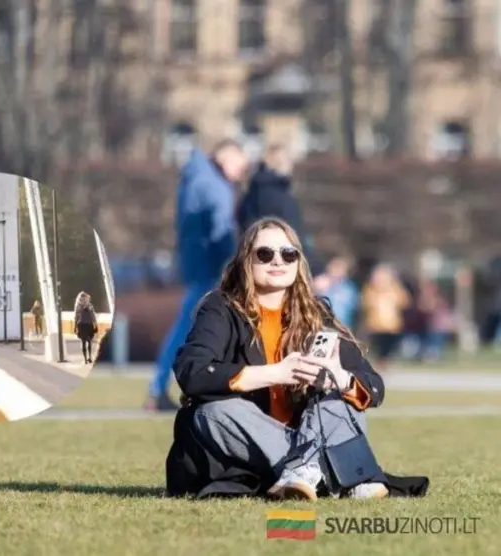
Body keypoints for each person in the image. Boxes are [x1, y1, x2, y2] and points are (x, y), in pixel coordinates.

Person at [166, 217, 389, 500]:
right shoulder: (220, 308)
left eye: (288, 254)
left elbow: (374, 387)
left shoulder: (316, 312)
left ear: (298, 262)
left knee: (339, 402)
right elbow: (192, 371)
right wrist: (277, 373)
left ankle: (304, 474)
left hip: (304, 433)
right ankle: (328, 473)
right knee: (214, 413)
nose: (277, 262)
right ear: (246, 261)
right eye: (264, 254)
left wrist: (338, 377)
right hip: (250, 449)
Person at [148, 139, 250, 411]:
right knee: (189, 328)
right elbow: (221, 229)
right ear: (227, 157)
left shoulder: (194, 178)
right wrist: (233, 264)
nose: (242, 172)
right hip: (210, 268)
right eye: (241, 165)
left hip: (196, 265)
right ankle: (159, 388)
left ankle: (159, 388)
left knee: (187, 326)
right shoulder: (215, 186)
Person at [236, 144, 318, 269]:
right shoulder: (281, 197)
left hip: (253, 261)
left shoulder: (250, 194)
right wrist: (315, 269)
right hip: (281, 263)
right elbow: (294, 235)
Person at [361, 264, 411, 369]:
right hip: (375, 325)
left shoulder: (396, 289)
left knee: (388, 346)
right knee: (375, 346)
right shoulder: (371, 290)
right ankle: (376, 362)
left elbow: (405, 302)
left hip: (392, 325)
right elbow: (366, 303)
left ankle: (384, 362)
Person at [313, 255, 359, 330]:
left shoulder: (348, 288)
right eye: (335, 266)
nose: (337, 270)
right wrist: (316, 289)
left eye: (340, 268)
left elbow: (354, 308)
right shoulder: (320, 282)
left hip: (343, 326)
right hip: (321, 325)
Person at [73, 292, 98, 364]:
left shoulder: (78, 306)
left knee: (84, 342)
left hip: (82, 325)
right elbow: (93, 316)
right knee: (89, 341)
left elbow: (76, 317)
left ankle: (86, 359)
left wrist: (75, 327)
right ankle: (89, 357)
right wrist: (96, 325)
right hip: (87, 325)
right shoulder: (89, 305)